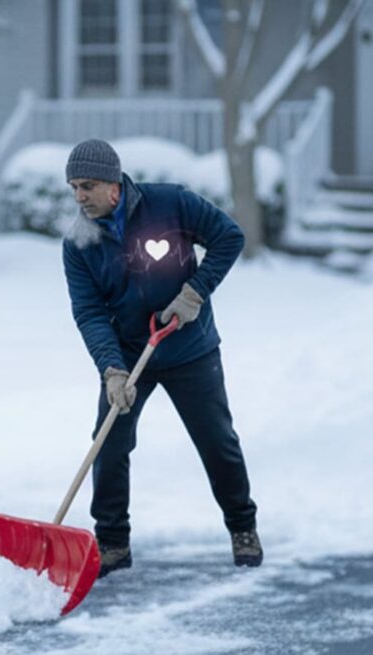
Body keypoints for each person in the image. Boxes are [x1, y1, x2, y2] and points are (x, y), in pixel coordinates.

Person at [61, 138, 262, 578]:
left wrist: (194, 293)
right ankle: (112, 542)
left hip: (191, 349)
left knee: (217, 441)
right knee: (108, 443)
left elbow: (229, 237)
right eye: (74, 187)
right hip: (129, 354)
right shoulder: (79, 243)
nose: (79, 197)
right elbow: (89, 312)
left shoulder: (170, 204)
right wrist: (112, 370)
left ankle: (242, 526)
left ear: (113, 184)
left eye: (87, 186)